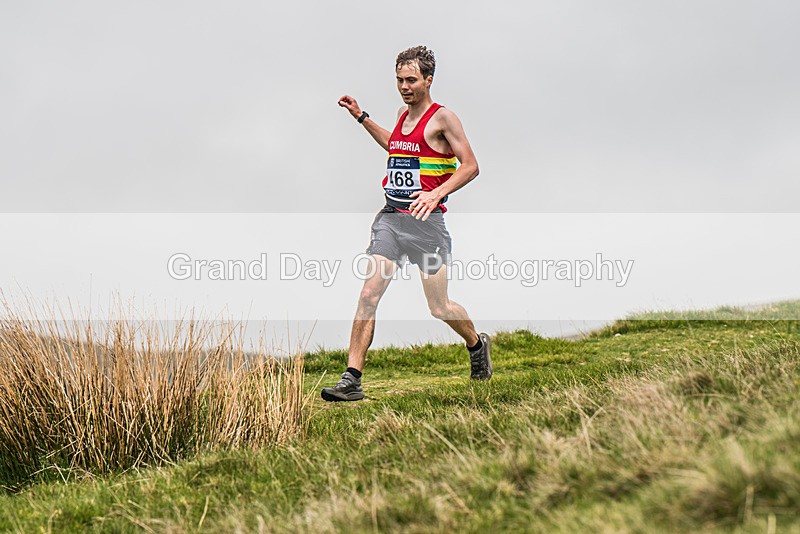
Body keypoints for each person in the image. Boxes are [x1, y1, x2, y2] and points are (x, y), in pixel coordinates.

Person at [321, 45, 491, 402]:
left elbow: (471, 165)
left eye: (411, 80)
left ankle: (476, 345)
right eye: (399, 79)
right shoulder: (401, 114)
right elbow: (395, 146)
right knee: (368, 294)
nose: (404, 86)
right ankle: (352, 380)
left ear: (429, 80)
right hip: (392, 220)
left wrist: (436, 193)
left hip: (427, 227)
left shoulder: (444, 119)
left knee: (439, 307)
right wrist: (361, 116)